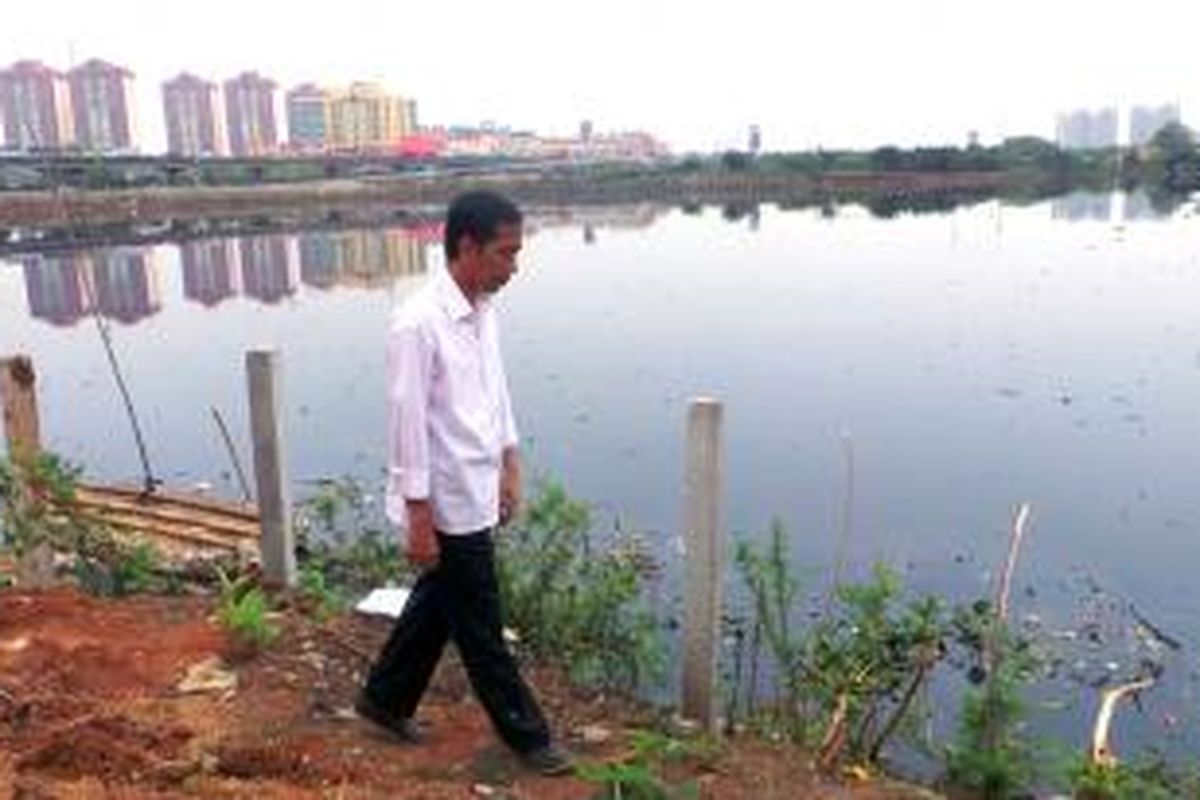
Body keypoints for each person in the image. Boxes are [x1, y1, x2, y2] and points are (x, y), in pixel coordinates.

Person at [357, 190, 572, 776]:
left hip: (477, 486)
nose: (514, 266)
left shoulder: (482, 311)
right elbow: (407, 429)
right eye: (505, 253)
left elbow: (495, 395)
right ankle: (529, 737)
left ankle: (384, 698)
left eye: (517, 252)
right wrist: (419, 516)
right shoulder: (416, 325)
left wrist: (510, 466)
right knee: (480, 627)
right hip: (444, 501)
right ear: (467, 247)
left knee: (439, 602)